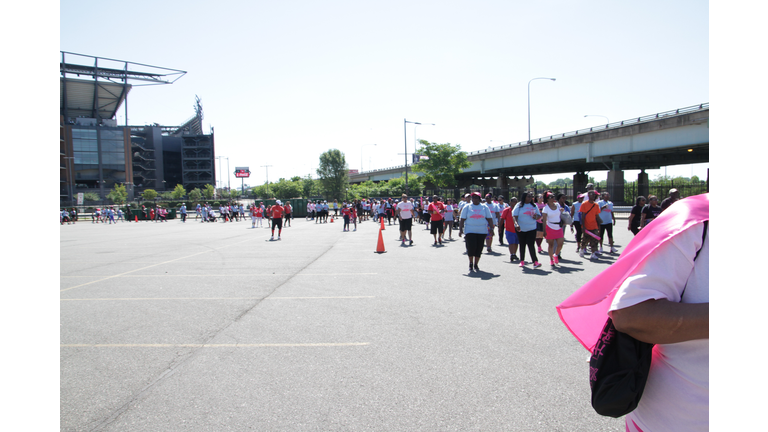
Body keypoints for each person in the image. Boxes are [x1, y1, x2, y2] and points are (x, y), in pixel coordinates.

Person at [557, 194, 709, 432]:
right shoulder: (699, 221)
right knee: (584, 240)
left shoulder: (598, 206)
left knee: (597, 239)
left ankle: (592, 248)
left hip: (600, 225)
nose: (601, 197)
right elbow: (630, 314)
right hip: (680, 421)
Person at [459, 192, 494, 272]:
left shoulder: (484, 207)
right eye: (473, 197)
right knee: (471, 247)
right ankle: (471, 262)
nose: (474, 199)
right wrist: (460, 229)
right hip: (470, 230)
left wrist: (491, 228)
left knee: (479, 247)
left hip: (482, 231)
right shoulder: (467, 207)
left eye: (476, 197)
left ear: (479, 198)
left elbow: (489, 218)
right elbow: (462, 219)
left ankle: (476, 264)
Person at [512, 192, 542, 268]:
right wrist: (516, 224)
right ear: (524, 197)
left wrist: (536, 216)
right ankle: (522, 261)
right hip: (521, 228)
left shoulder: (534, 205)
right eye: (528, 196)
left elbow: (539, 216)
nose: (530, 198)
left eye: (531, 196)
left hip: (532, 228)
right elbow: (514, 216)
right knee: (522, 244)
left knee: (531, 244)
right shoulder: (519, 205)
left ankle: (535, 261)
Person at [541, 191, 565, 267]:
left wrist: (561, 211)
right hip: (550, 227)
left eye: (553, 196)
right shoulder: (546, 208)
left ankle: (556, 255)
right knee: (551, 245)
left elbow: (559, 214)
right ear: (547, 199)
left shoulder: (557, 205)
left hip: (558, 227)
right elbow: (544, 220)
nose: (553, 198)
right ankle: (551, 259)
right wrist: (544, 231)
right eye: (551, 197)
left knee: (560, 244)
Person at [579, 190, 602, 260]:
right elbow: (582, 216)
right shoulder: (584, 204)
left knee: (594, 240)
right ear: (588, 196)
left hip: (594, 226)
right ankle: (582, 249)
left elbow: (597, 215)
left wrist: (599, 224)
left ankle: (593, 253)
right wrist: (583, 226)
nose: (593, 196)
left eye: (594, 195)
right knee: (585, 240)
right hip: (587, 226)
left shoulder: (596, 205)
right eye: (591, 195)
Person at [499, 197, 520, 262]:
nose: (515, 203)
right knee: (511, 242)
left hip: (517, 230)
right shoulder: (507, 210)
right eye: (513, 201)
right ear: (510, 202)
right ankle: (512, 254)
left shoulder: (519, 210)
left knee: (516, 243)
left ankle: (514, 254)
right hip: (509, 229)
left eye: (516, 202)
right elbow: (502, 219)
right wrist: (500, 228)